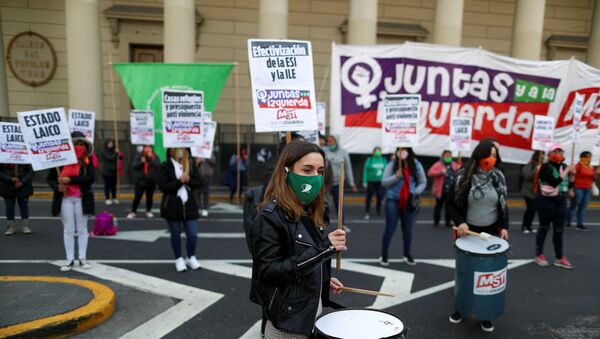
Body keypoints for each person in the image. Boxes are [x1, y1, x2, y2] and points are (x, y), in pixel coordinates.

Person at [250, 140, 346, 338]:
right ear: (286, 171)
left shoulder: (308, 210)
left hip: (309, 318)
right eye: (307, 170)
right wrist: (324, 249)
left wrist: (321, 280)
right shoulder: (269, 217)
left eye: (320, 171)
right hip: (287, 326)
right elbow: (268, 272)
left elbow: (302, 262)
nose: (315, 177)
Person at [446, 139, 509, 332]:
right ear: (480, 154)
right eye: (490, 154)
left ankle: (486, 313)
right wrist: (460, 222)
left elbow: (503, 205)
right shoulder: (463, 176)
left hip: (489, 233)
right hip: (467, 231)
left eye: (495, 155)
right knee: (465, 273)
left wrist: (504, 226)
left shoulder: (499, 176)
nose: (493, 158)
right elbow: (450, 205)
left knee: (486, 276)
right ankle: (460, 307)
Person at [47, 131, 95, 271]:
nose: (79, 146)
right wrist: (57, 186)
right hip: (65, 199)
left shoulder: (87, 160)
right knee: (68, 230)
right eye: (76, 143)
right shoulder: (59, 159)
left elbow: (91, 178)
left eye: (82, 144)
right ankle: (69, 259)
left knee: (82, 229)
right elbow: (50, 178)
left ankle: (82, 258)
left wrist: (71, 180)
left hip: (81, 198)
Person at [380, 147, 426, 266]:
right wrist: (396, 177)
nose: (402, 152)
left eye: (405, 149)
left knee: (408, 229)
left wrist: (414, 192)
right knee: (390, 228)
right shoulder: (392, 164)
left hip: (409, 201)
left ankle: (407, 254)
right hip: (392, 200)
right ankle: (384, 255)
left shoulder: (416, 164)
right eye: (400, 149)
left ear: (409, 151)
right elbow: (384, 182)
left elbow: (423, 182)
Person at [158, 147, 202, 272]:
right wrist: (179, 182)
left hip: (190, 206)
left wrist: (188, 180)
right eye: (179, 148)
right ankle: (178, 258)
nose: (181, 150)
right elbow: (163, 186)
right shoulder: (165, 165)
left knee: (192, 234)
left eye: (184, 148)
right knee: (175, 234)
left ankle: (190, 256)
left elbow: (199, 183)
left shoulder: (191, 164)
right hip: (172, 206)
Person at [534, 143, 577, 269]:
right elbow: (554, 182)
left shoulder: (564, 166)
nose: (558, 154)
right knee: (544, 227)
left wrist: (572, 175)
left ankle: (560, 257)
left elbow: (568, 185)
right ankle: (539, 255)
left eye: (560, 152)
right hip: (546, 201)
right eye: (555, 151)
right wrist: (568, 170)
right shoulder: (545, 167)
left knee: (559, 230)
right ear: (549, 154)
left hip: (561, 201)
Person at [325, 135, 356, 232]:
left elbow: (348, 168)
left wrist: (352, 183)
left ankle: (342, 225)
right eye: (328, 141)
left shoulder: (343, 152)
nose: (329, 143)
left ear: (336, 142)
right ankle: (323, 224)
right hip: (325, 183)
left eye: (331, 141)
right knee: (324, 204)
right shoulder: (324, 151)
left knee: (339, 204)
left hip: (338, 183)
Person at [427, 150, 461, 227]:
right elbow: (430, 173)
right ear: (443, 156)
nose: (448, 157)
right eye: (447, 155)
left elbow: (461, 172)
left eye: (450, 156)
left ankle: (448, 222)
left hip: (451, 191)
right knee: (438, 206)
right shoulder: (438, 164)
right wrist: (440, 172)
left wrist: (459, 168)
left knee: (448, 207)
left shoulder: (454, 164)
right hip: (441, 190)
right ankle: (436, 221)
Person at [566, 151, 599, 231]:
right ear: (582, 157)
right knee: (573, 206)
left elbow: (594, 179)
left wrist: (597, 174)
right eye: (587, 157)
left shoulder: (591, 167)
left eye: (590, 157)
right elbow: (571, 177)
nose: (589, 158)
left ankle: (580, 224)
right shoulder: (577, 166)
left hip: (588, 189)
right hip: (578, 188)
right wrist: (571, 189)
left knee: (583, 207)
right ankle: (568, 222)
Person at [127, 145, 160, 219]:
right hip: (140, 181)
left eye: (149, 147)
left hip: (151, 181)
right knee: (137, 196)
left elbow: (158, 165)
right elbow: (135, 166)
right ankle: (133, 211)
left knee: (149, 197)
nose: (148, 149)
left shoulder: (155, 156)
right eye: (146, 147)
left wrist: (151, 159)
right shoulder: (139, 156)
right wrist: (141, 162)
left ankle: (148, 211)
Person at [1, 163, 34, 235]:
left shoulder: (26, 156)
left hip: (23, 186)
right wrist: (10, 179)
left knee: (24, 206)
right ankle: (10, 227)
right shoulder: (3, 156)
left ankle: (26, 226)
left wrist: (22, 182)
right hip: (7, 186)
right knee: (9, 207)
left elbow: (31, 172)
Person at [520, 150, 544, 234]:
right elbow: (527, 176)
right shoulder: (530, 165)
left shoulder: (542, 165)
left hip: (536, 191)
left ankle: (529, 226)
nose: (542, 159)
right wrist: (536, 169)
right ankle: (525, 226)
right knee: (530, 209)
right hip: (528, 191)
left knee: (533, 210)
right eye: (541, 157)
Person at [362, 146, 387, 220]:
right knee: (369, 197)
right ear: (373, 152)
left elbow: (386, 171)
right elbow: (365, 171)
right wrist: (364, 181)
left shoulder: (383, 160)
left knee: (379, 196)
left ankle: (379, 211)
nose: (378, 152)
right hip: (371, 181)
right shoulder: (370, 160)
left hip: (380, 182)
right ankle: (367, 212)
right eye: (376, 151)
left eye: (379, 151)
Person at [101, 138, 123, 205]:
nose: (111, 145)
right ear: (107, 144)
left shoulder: (115, 151)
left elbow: (120, 158)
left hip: (114, 172)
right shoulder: (104, 151)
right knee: (107, 186)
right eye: (109, 143)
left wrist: (119, 154)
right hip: (106, 172)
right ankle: (107, 198)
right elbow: (110, 158)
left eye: (112, 143)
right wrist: (116, 153)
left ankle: (114, 198)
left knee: (114, 186)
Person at [194, 152, 216, 217]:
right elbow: (192, 162)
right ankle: (197, 208)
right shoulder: (196, 151)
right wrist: (197, 160)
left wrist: (206, 157)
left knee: (206, 193)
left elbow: (214, 161)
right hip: (197, 175)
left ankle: (205, 209)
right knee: (196, 193)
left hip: (207, 175)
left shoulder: (209, 151)